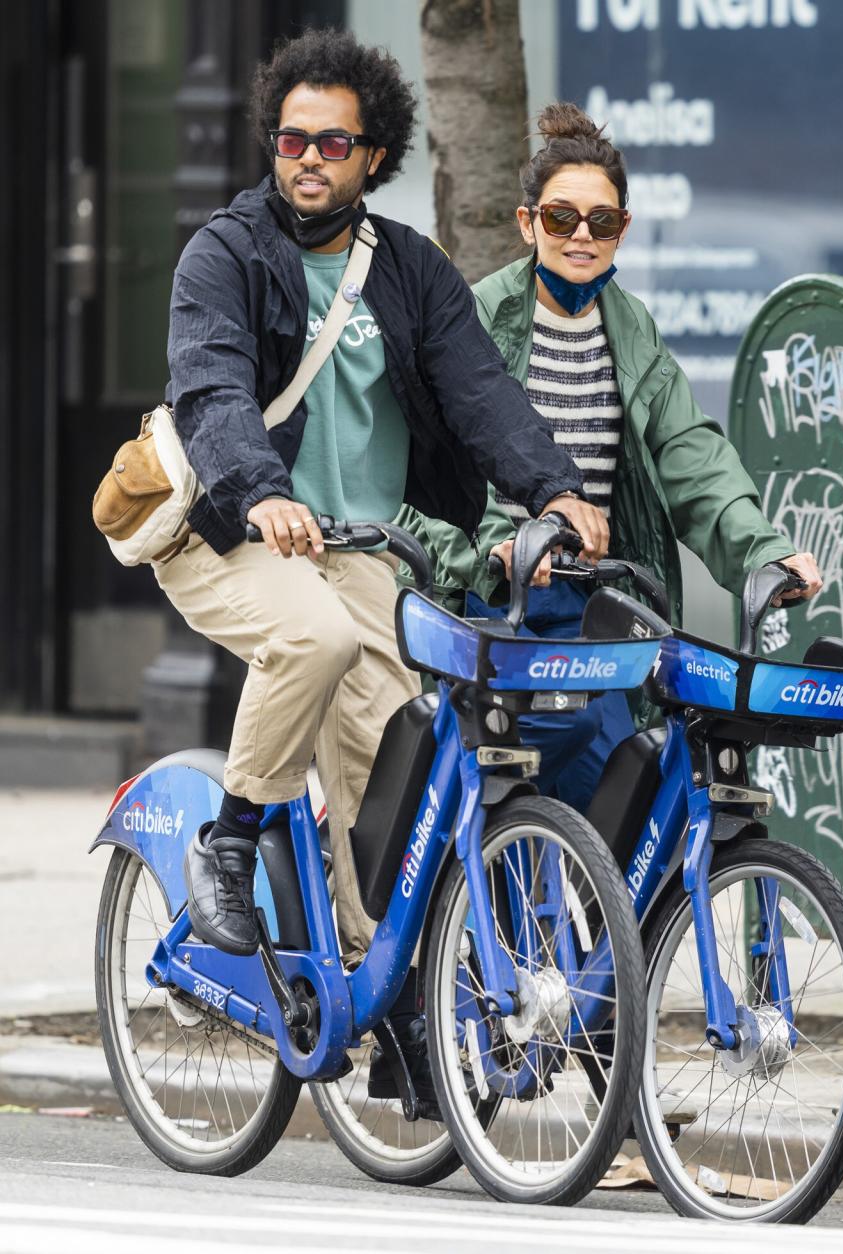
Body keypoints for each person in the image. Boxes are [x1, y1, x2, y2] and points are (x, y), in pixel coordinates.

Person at [155, 32, 609, 1098]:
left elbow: (484, 394)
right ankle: (232, 839)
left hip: (357, 549)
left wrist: (553, 487)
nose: (308, 157)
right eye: (292, 138)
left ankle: (390, 996)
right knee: (307, 642)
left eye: (333, 142)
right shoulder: (224, 254)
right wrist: (260, 490)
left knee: (389, 769)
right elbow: (212, 384)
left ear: (376, 154)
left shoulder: (408, 270)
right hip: (229, 529)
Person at [399, 103, 822, 813]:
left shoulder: (629, 329)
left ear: (623, 229)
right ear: (527, 223)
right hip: (489, 601)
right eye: (561, 219)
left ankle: (593, 925)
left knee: (628, 794)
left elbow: (692, 456)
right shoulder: (473, 319)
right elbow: (415, 478)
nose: (582, 237)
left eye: (603, 221)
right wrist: (491, 553)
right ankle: (477, 912)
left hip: (593, 605)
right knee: (504, 787)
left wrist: (761, 552)